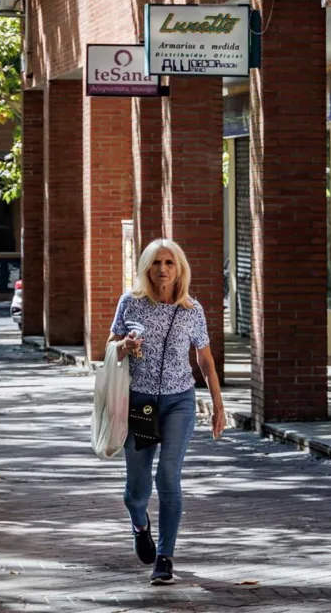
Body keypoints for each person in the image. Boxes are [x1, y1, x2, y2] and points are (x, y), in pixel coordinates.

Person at [109, 238, 224, 586]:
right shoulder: (131, 303)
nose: (163, 269)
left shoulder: (192, 310)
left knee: (168, 476)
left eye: (169, 263)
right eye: (157, 262)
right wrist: (124, 346)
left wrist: (219, 406)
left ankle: (165, 557)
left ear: (180, 268)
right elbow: (111, 348)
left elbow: (204, 360)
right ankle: (140, 524)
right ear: (147, 267)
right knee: (137, 490)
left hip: (178, 402)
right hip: (142, 403)